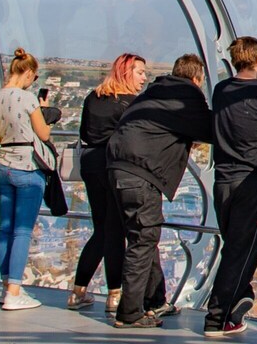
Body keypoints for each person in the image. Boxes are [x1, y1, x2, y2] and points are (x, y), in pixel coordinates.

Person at [107, 55, 213, 328]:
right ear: (196, 79)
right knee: (144, 239)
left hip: (117, 167)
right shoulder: (187, 96)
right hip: (142, 173)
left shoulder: (154, 92)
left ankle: (155, 300)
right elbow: (209, 129)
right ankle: (129, 313)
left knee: (144, 235)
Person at [203, 37, 257, 336]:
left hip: (222, 179)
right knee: (242, 250)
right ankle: (217, 316)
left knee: (233, 247)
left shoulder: (221, 90)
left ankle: (238, 301)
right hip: (251, 179)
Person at [69, 53, 147, 312]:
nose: (144, 78)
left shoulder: (94, 97)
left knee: (101, 229)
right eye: (140, 73)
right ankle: (114, 294)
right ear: (127, 73)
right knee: (115, 231)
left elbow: (83, 133)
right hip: (115, 166)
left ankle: (78, 291)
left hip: (91, 164)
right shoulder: (131, 103)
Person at [0, 49, 53, 311]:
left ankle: (6, 285)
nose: (32, 82)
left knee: (5, 227)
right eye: (33, 78)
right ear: (27, 73)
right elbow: (44, 133)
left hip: (4, 164)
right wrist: (44, 111)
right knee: (22, 230)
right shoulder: (27, 99)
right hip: (27, 164)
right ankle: (14, 290)